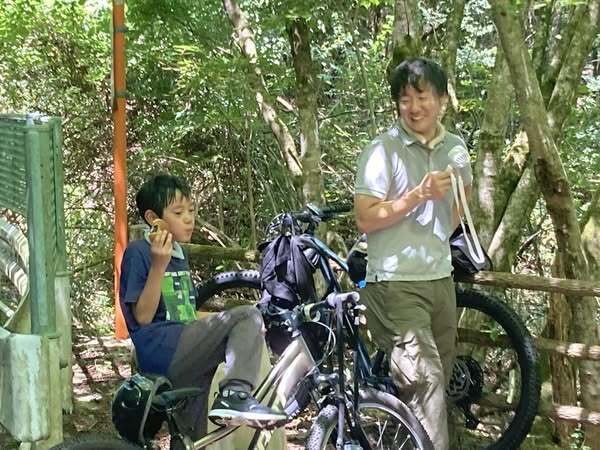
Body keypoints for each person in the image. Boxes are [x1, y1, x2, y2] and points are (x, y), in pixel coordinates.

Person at [354, 58, 473, 450]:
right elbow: (365, 218)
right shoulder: (382, 150)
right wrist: (417, 195)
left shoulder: (455, 148)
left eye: (422, 97)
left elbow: (462, 203)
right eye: (405, 99)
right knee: (424, 382)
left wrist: (436, 237)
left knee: (436, 385)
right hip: (395, 283)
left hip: (440, 279)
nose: (414, 107)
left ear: (442, 100)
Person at [119, 173, 286, 440]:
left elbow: (184, 312)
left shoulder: (179, 253)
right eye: (178, 212)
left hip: (186, 351)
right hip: (161, 349)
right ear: (153, 219)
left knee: (193, 439)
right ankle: (235, 394)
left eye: (191, 210)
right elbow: (143, 318)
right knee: (247, 315)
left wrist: (221, 325)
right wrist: (159, 265)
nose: (189, 218)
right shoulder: (139, 252)